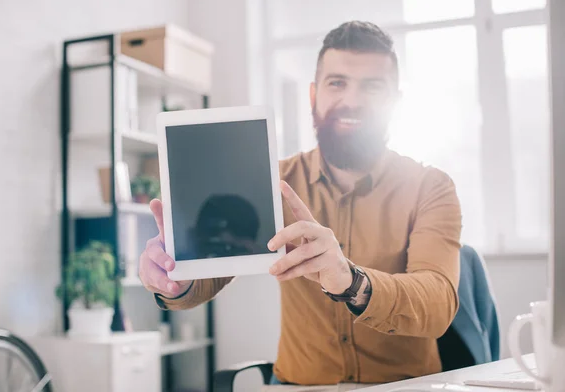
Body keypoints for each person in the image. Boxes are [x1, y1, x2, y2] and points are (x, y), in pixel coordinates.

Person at [139, 21, 462, 385]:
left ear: (395, 102)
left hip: (402, 386)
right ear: (313, 95)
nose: (352, 100)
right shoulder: (273, 181)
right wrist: (172, 278)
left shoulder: (431, 186)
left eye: (372, 86)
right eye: (337, 83)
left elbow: (438, 304)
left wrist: (351, 281)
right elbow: (208, 274)